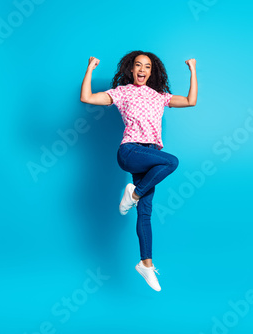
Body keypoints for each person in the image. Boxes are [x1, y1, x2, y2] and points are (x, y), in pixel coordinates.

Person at [80, 50, 197, 291]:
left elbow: (190, 101)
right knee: (171, 162)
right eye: (137, 65)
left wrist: (193, 70)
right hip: (131, 152)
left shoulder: (159, 96)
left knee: (145, 213)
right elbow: (88, 98)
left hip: (150, 156)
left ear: (152, 72)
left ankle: (146, 263)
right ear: (131, 69)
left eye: (147, 67)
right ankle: (132, 194)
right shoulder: (121, 92)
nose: (142, 70)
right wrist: (90, 68)